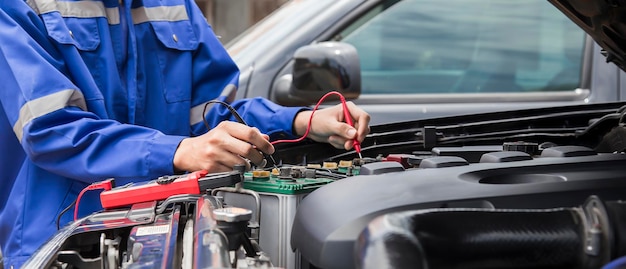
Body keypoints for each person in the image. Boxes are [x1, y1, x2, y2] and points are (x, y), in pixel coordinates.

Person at [0, 0, 370, 267]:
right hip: (65, 243)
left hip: (173, 233)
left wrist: (300, 120)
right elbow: (51, 128)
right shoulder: (20, 5)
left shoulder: (175, 6)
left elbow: (212, 114)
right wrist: (179, 150)